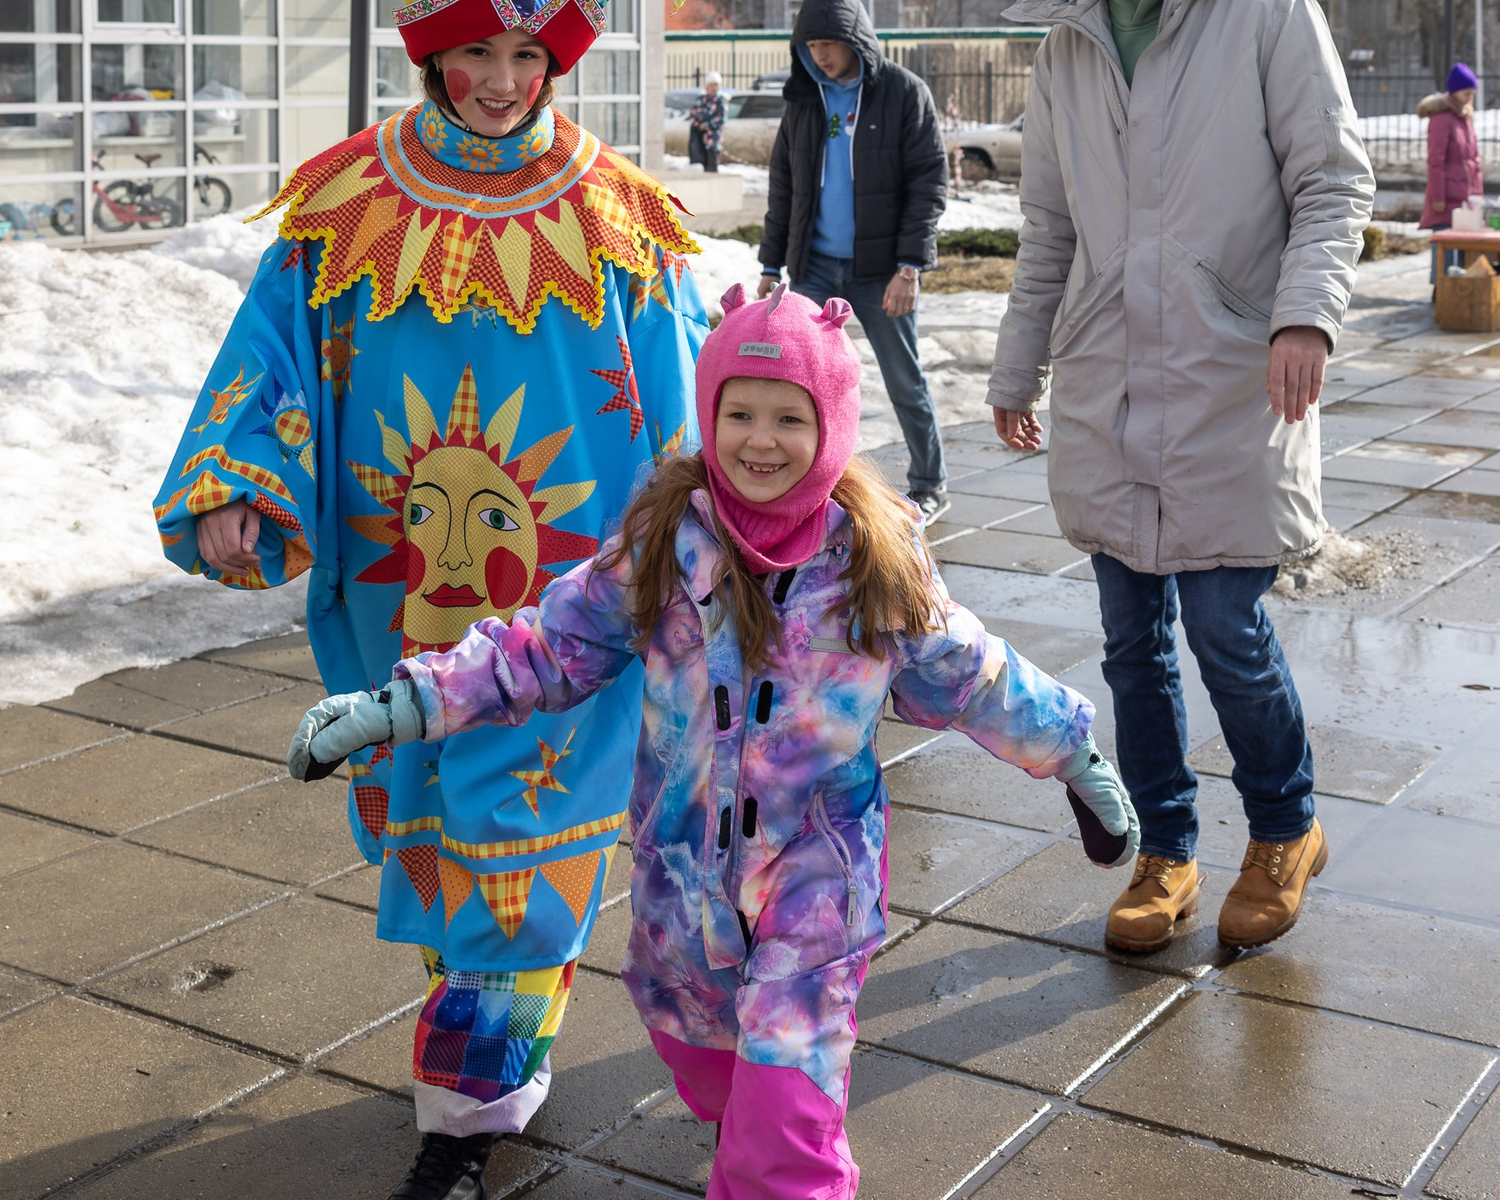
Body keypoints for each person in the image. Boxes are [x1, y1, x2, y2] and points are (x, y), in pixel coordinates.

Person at [288, 284, 1137, 1200]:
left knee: (786, 1115)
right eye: (738, 412)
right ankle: (752, 1122)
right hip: (681, 881)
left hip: (819, 877)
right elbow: (546, 648)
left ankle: (784, 1159)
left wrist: (1077, 762)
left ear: (834, 427)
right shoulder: (663, 540)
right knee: (702, 1052)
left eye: (789, 417)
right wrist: (403, 703)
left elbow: (977, 675)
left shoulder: (874, 564)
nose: (760, 440)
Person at [156, 0, 709, 1200]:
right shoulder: (345, 207)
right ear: (429, 47)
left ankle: (466, 1098)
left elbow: (684, 402)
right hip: (402, 602)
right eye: (476, 52)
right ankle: (488, 1024)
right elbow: (271, 362)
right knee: (439, 843)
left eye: (531, 56)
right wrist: (240, 489)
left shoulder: (623, 221)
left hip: (579, 604)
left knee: (523, 858)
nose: (504, 80)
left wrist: (705, 545)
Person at [986, 0, 1373, 955]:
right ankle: (1164, 850)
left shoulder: (1269, 13)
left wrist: (1304, 318)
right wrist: (1017, 367)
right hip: (1109, 378)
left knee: (1225, 626)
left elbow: (1332, 186)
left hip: (1230, 374)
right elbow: (1046, 226)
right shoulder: (1066, 46)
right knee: (1128, 645)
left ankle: (1283, 828)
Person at [756, 0, 951, 523]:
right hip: (814, 268)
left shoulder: (903, 93)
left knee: (903, 379)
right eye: (810, 43)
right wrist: (770, 265)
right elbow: (784, 185)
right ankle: (816, 485)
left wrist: (909, 267)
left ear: (854, 39)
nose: (820, 53)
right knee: (805, 384)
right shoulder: (803, 101)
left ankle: (930, 484)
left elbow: (928, 184)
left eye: (829, 42)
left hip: (881, 270)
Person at [1416, 61, 1483, 287]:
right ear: (1454, 92)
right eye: (1466, 93)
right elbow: (1436, 161)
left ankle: (1459, 293)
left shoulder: (1465, 117)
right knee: (1444, 249)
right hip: (1446, 197)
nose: (1470, 97)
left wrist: (1477, 192)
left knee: (1465, 248)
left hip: (1465, 197)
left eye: (1472, 93)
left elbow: (1474, 160)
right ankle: (1441, 293)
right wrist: (1438, 197)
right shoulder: (1442, 118)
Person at [688, 72, 727, 172]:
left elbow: (721, 119)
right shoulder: (701, 100)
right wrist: (699, 124)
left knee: (712, 164)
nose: (713, 88)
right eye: (711, 85)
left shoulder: (720, 101)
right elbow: (693, 114)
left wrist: (707, 125)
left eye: (716, 85)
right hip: (699, 138)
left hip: (712, 139)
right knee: (700, 163)